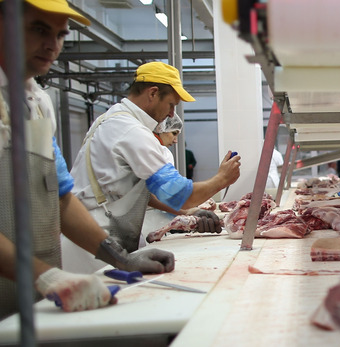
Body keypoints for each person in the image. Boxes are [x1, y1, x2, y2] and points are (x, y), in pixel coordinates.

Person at [0, 0, 174, 317]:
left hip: (31, 292)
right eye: (38, 29)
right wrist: (46, 276)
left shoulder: (37, 103)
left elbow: (61, 197)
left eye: (60, 34)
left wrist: (120, 258)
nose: (53, 45)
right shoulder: (125, 126)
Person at [62, 61, 241, 274]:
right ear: (153, 93)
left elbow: (146, 195)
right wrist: (222, 179)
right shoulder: (131, 130)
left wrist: (190, 211)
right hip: (93, 244)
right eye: (171, 105)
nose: (171, 114)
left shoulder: (112, 119)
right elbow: (178, 193)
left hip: (102, 233)